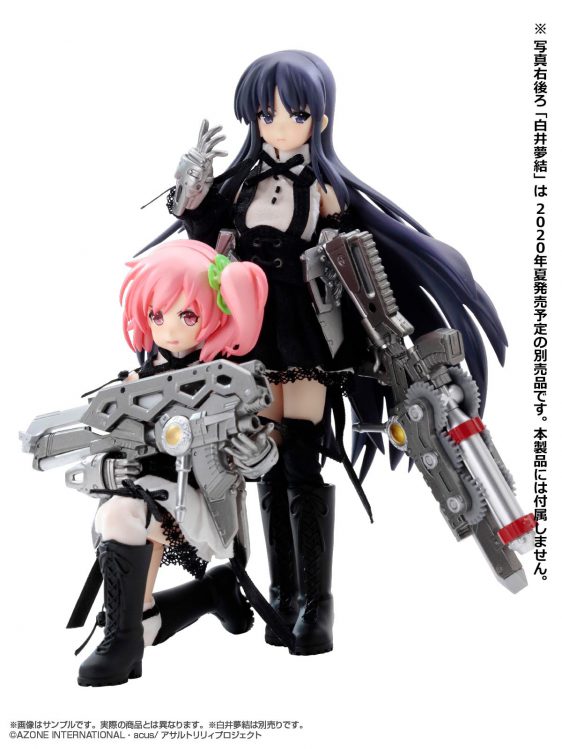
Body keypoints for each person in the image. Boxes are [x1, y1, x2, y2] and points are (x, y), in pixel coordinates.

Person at [158, 50, 507, 656]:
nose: (278, 126)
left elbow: (359, 260)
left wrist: (342, 242)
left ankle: (316, 606)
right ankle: (282, 594)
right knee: (264, 461)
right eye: (266, 115)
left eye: (293, 114)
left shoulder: (324, 190)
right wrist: (192, 184)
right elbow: (198, 233)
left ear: (318, 120)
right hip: (249, 332)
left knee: (300, 455)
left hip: (305, 333)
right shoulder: (240, 186)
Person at [75, 239, 271, 686]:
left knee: (121, 514)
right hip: (148, 497)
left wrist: (256, 454)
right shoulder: (133, 384)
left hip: (204, 505)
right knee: (139, 609)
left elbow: (259, 456)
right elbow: (103, 445)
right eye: (156, 316)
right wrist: (106, 469)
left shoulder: (227, 380)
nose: (170, 330)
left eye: (188, 315)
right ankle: (200, 599)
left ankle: (122, 642)